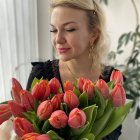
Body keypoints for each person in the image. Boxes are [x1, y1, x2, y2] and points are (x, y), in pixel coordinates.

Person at [26, 0, 122, 139]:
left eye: (70, 29)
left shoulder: (112, 81)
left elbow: (114, 131)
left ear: (93, 34)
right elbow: (28, 128)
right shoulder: (41, 75)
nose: (58, 39)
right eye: (53, 30)